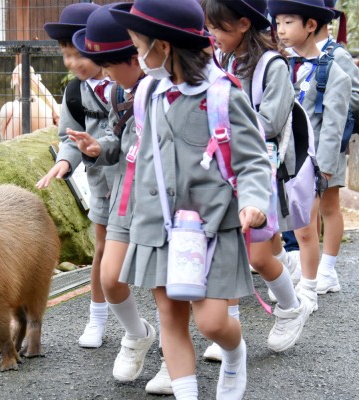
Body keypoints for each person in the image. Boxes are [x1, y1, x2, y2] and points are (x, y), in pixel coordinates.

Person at [110, 0, 272, 398]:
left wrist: (253, 201)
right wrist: (131, 222)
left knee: (213, 322)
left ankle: (235, 354)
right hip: (158, 225)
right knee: (170, 314)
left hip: (212, 226)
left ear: (162, 47)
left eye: (138, 43)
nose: (136, 54)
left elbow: (253, 160)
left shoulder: (221, 95)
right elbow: (144, 158)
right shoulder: (148, 92)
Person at [68, 2, 172, 395]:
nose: (105, 73)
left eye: (108, 64)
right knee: (111, 278)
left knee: (165, 288)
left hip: (162, 202)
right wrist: (100, 148)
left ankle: (172, 355)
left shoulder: (165, 89)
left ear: (136, 56)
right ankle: (137, 333)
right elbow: (125, 140)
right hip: (124, 200)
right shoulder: (123, 92)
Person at [200, 0, 311, 360]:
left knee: (259, 255)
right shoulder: (226, 59)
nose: (213, 36)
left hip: (256, 167)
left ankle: (292, 308)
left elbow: (272, 121)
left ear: (244, 23)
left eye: (218, 28)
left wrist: (225, 130)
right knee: (230, 249)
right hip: (224, 166)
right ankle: (228, 332)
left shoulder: (272, 65)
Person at [38, 2, 117, 349]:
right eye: (65, 56)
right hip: (101, 183)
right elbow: (68, 137)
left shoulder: (126, 81)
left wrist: (100, 145)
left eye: (77, 55)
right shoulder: (74, 91)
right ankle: (97, 318)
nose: (71, 64)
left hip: (136, 180)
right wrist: (66, 162)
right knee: (101, 249)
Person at [268, 0, 351, 312]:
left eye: (288, 22)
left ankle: (310, 288)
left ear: (311, 25)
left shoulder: (334, 70)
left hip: (312, 162)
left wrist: (324, 171)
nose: (281, 30)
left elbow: (333, 125)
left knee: (304, 227)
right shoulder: (279, 65)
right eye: (278, 23)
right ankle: (288, 272)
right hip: (281, 158)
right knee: (276, 221)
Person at [312, 0, 359, 295]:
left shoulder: (337, 54)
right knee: (306, 209)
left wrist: (331, 105)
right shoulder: (291, 57)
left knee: (329, 205)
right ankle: (310, 265)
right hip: (302, 144)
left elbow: (354, 96)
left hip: (330, 141)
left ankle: (327, 270)